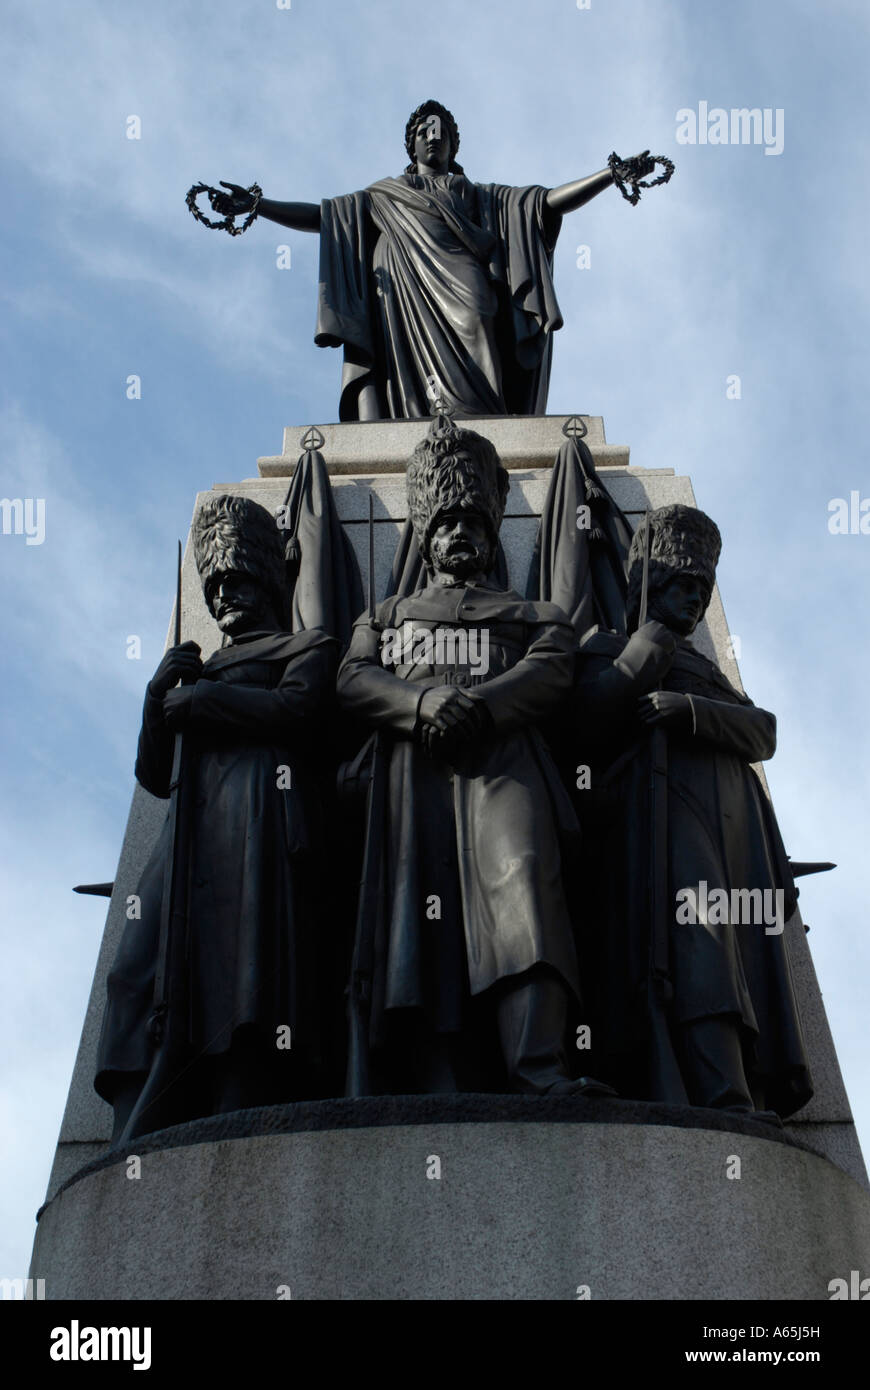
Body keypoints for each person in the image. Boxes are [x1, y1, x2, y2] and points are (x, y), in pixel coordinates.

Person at [336, 412, 613, 1098]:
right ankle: (439, 1078)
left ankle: (539, 1066)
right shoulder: (382, 618)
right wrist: (423, 704)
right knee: (424, 921)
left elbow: (551, 672)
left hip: (504, 764)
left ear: (493, 536)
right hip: (413, 773)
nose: (461, 532)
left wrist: (480, 707)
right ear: (428, 539)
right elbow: (352, 678)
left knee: (524, 887)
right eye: (446, 523)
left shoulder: (535, 616)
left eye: (473, 522)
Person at [95, 495, 338, 1141]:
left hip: (257, 814)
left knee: (243, 973)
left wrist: (205, 698)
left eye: (238, 578)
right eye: (216, 584)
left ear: (267, 581)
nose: (226, 593)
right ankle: (133, 1120)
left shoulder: (306, 647)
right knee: (134, 972)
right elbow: (154, 776)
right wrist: (157, 697)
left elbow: (300, 711)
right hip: (186, 835)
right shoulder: (190, 672)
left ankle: (236, 1102)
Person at [568, 504, 813, 1121]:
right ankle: (720, 1097)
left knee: (734, 962)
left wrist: (689, 710)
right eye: (681, 586)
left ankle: (740, 1089)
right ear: (649, 584)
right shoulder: (607, 646)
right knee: (699, 958)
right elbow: (586, 722)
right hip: (666, 825)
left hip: (736, 838)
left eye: (702, 592)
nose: (694, 603)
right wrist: (647, 647)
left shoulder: (704, 667)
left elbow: (763, 731)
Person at [208, 100, 657, 419]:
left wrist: (608, 174)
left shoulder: (479, 195)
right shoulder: (384, 196)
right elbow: (325, 217)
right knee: (403, 369)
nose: (434, 136)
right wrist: (258, 206)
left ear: (453, 146)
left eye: (441, 131)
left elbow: (540, 205)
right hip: (400, 289)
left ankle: (484, 423)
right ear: (412, 143)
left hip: (465, 278)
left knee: (481, 318)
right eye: (425, 130)